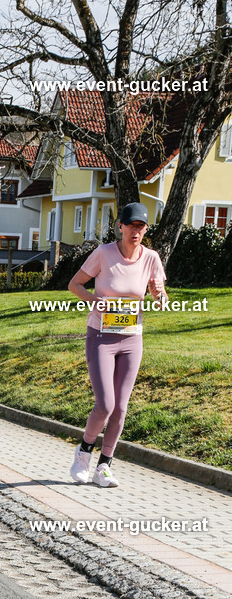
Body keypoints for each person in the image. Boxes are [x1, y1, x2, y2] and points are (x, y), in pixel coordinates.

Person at [68, 202, 167, 488]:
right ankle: (84, 452)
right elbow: (75, 284)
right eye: (131, 225)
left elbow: (161, 300)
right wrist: (94, 300)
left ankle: (104, 467)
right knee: (105, 405)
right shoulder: (104, 253)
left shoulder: (152, 258)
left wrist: (158, 295)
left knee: (121, 408)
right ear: (120, 227)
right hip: (101, 336)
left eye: (141, 226)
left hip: (132, 339)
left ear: (145, 230)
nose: (135, 231)